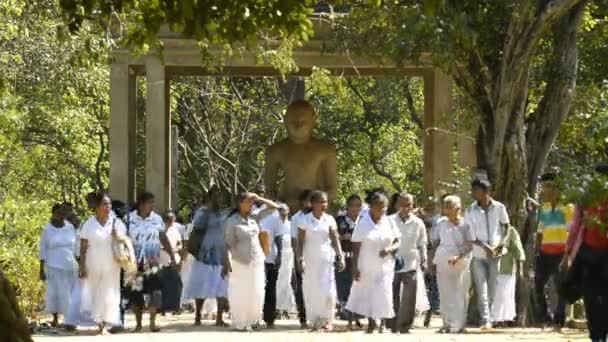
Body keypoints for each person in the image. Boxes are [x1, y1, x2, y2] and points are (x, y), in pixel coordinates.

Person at [565, 163, 608, 342]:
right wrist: (568, 251)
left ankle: (601, 334)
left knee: (603, 297)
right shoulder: (585, 199)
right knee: (590, 297)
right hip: (588, 254)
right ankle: (596, 336)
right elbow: (576, 226)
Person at [223, 192, 279, 331]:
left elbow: (274, 207)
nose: (250, 204)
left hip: (257, 259)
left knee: (257, 290)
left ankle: (254, 320)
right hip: (240, 260)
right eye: (247, 201)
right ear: (239, 203)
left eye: (251, 202)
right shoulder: (232, 221)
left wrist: (259, 198)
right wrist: (227, 261)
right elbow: (228, 243)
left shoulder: (254, 217)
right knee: (241, 291)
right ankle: (241, 322)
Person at [346, 192, 401, 333]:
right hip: (367, 263)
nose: (382, 210)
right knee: (369, 292)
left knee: (384, 291)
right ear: (371, 207)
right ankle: (371, 321)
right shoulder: (363, 223)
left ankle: (382, 322)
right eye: (379, 207)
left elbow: (397, 241)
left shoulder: (389, 221)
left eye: (384, 207)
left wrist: (389, 249)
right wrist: (354, 268)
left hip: (385, 264)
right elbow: (356, 247)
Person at [126, 192, 177, 333]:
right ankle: (138, 324)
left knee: (155, 292)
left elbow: (163, 237)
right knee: (136, 292)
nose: (152, 205)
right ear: (141, 204)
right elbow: (123, 239)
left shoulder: (157, 219)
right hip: (134, 264)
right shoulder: (129, 219)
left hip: (152, 263)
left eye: (153, 202)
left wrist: (172, 255)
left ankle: (153, 323)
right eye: (150, 202)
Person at [297, 190, 345, 332]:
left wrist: (340, 255)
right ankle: (314, 321)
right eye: (321, 202)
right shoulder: (304, 220)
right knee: (311, 290)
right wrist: (300, 258)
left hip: (326, 259)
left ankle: (327, 320)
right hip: (310, 259)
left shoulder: (329, 219)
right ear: (312, 204)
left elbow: (335, 239)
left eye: (325, 202)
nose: (324, 205)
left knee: (328, 290)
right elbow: (300, 242)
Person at [465, 178, 509, 330]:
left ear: (486, 192)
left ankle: (490, 316)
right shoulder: (470, 210)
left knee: (492, 288)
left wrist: (500, 246)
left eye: (476, 190)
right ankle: (485, 320)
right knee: (481, 288)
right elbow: (470, 234)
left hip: (496, 254)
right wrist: (484, 246)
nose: (473, 193)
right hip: (478, 255)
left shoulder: (499, 207)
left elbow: (507, 227)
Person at [79, 193, 125, 335]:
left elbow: (124, 242)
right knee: (95, 293)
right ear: (97, 207)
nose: (108, 207)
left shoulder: (116, 223)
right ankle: (98, 324)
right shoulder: (88, 224)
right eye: (105, 204)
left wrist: (116, 235)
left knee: (109, 293)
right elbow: (83, 247)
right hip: (93, 264)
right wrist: (81, 266)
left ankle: (105, 325)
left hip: (112, 265)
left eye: (109, 204)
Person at [532, 173, 574, 330]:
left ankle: (559, 320)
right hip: (544, 253)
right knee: (537, 284)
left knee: (561, 287)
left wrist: (567, 256)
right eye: (544, 187)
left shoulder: (568, 208)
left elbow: (571, 233)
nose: (545, 190)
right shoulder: (543, 208)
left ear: (557, 189)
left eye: (549, 186)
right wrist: (537, 251)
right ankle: (546, 317)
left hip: (561, 253)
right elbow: (540, 231)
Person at [183, 187, 229, 326]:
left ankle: (219, 318)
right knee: (201, 285)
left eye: (220, 197)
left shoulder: (222, 214)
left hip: (219, 254)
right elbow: (195, 232)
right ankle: (197, 316)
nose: (219, 200)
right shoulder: (202, 213)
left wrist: (227, 257)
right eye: (216, 196)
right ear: (210, 198)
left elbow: (225, 236)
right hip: (204, 255)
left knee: (221, 286)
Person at [432, 195, 473, 333]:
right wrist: (431, 261)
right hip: (443, 260)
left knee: (460, 293)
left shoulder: (466, 224)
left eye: (450, 207)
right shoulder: (441, 223)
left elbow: (469, 245)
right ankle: (447, 324)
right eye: (446, 207)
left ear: (458, 209)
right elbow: (435, 242)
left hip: (461, 261)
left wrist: (458, 257)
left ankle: (460, 324)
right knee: (444, 292)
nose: (447, 211)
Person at [389, 193, 427, 334]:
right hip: (392, 263)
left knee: (409, 296)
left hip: (411, 263)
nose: (406, 208)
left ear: (412, 205)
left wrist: (424, 259)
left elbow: (422, 243)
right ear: (398, 205)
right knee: (392, 295)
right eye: (403, 205)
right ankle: (392, 325)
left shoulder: (418, 222)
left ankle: (405, 326)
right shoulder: (389, 220)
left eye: (408, 205)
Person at [39, 203, 78, 327]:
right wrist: (41, 269)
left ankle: (70, 319)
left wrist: (80, 262)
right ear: (53, 214)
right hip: (53, 265)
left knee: (69, 293)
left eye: (63, 213)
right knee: (55, 292)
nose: (60, 215)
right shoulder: (47, 229)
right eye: (58, 213)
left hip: (69, 265)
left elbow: (76, 246)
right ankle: (56, 318)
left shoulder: (70, 227)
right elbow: (43, 249)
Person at [335, 194, 363, 329]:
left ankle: (357, 313)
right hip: (344, 256)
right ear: (347, 206)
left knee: (357, 285)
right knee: (343, 284)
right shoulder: (339, 220)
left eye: (358, 205)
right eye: (352, 205)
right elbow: (332, 237)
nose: (355, 208)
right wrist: (342, 237)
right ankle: (346, 311)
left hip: (360, 258)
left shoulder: (364, 220)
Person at [260, 204, 289, 328]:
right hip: (257, 258)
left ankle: (269, 318)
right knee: (258, 287)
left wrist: (279, 256)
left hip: (271, 259)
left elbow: (278, 238)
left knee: (270, 288)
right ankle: (255, 316)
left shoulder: (275, 220)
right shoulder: (258, 215)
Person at [491, 225, 525, 326]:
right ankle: (495, 318)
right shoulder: (490, 227)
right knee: (496, 294)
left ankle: (502, 319)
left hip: (506, 268)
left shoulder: (510, 231)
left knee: (504, 294)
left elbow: (518, 250)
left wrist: (521, 269)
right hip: (491, 267)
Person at [290, 189, 312, 328]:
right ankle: (303, 316)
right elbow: (294, 240)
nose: (309, 203)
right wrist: (298, 258)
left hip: (316, 256)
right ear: (302, 202)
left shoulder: (318, 216)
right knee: (301, 287)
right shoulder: (296, 218)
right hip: (301, 255)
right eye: (307, 200)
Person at [159, 211, 184, 315]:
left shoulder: (175, 230)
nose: (172, 222)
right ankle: (163, 308)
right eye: (170, 220)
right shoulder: (160, 230)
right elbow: (160, 244)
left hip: (174, 260)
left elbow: (180, 244)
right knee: (163, 285)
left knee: (176, 284)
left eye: (173, 220)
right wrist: (168, 250)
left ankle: (176, 307)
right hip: (163, 260)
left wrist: (175, 250)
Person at [275, 206, 296, 317]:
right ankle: (277, 307)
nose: (283, 212)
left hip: (289, 256)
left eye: (284, 210)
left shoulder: (291, 225)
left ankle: (287, 307)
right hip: (278, 255)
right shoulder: (276, 225)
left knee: (287, 281)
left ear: (288, 211)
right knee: (278, 281)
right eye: (280, 210)